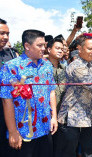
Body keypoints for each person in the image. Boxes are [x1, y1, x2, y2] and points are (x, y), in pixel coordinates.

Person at [0, 29, 58, 157]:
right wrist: (13, 131)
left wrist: (54, 117)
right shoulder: (11, 67)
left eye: (44, 45)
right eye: (39, 45)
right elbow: (6, 100)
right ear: (27, 46)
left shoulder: (47, 65)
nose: (44, 48)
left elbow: (51, 91)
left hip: (45, 127)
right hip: (23, 131)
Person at [0, 18, 18, 157]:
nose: (5, 37)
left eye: (7, 34)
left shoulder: (9, 55)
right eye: (1, 33)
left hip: (8, 112)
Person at [47, 38, 66, 112]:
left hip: (62, 111)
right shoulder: (42, 68)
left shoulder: (65, 69)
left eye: (62, 49)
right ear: (49, 50)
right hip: (48, 111)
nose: (60, 51)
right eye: (57, 48)